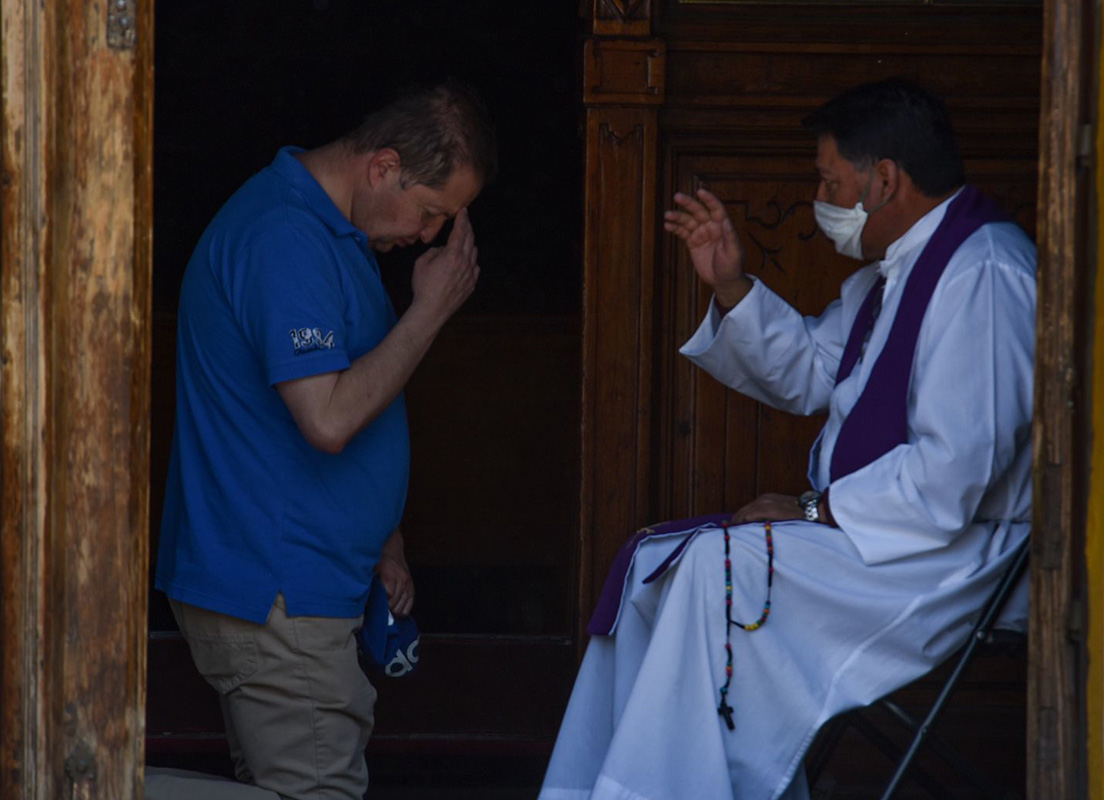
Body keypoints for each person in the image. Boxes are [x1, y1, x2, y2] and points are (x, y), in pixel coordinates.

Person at [539, 78, 1035, 800]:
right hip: (883, 539)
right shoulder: (889, 278)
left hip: (952, 557)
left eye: (830, 180)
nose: (823, 197)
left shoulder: (983, 272)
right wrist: (732, 285)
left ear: (885, 178)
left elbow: (952, 479)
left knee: (718, 570)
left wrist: (811, 511)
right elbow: (812, 372)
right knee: (659, 560)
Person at [152, 83, 497, 800]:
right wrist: (429, 312)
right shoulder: (286, 238)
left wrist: (383, 530)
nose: (430, 237)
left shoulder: (332, 232)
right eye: (431, 212)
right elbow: (330, 418)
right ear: (382, 167)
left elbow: (345, 402)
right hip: (277, 587)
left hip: (295, 582)